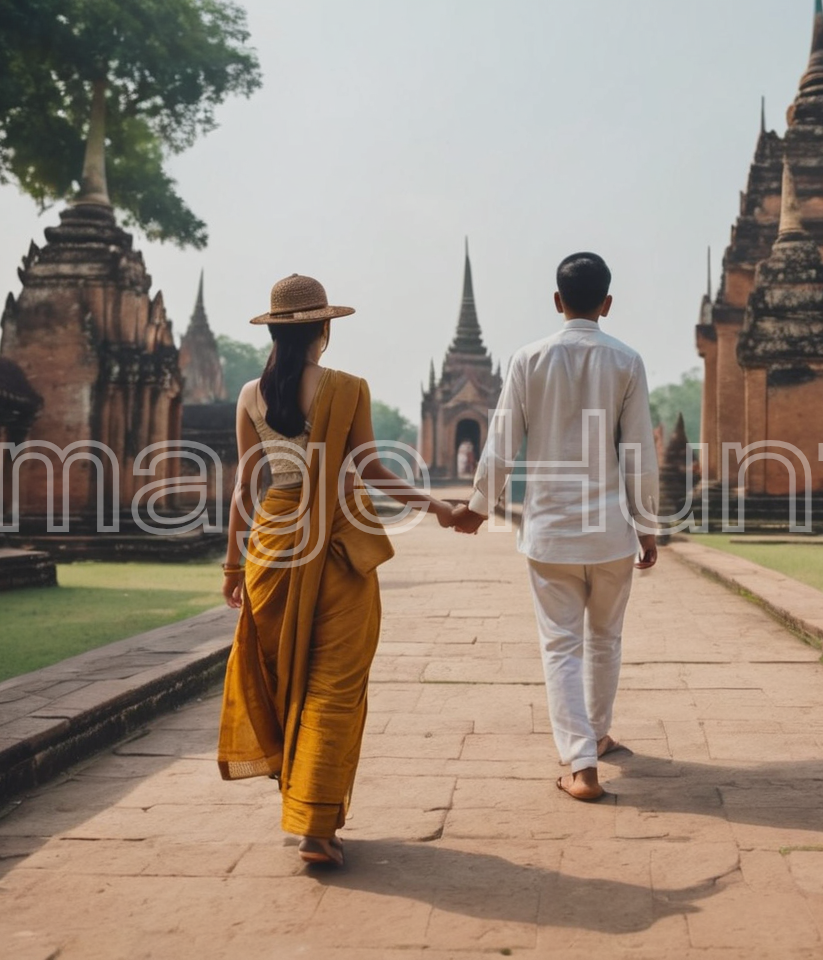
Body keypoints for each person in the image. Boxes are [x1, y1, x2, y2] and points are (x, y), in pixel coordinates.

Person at [216, 273, 456, 866]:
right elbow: (372, 469)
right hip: (337, 546)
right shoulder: (347, 387)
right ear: (324, 329)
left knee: (284, 679)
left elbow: (246, 484)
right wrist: (441, 507)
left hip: (272, 548)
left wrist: (231, 564)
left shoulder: (250, 394)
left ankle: (302, 806)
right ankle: (315, 827)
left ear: (274, 330)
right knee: (332, 686)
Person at [452, 252, 659, 802]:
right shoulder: (627, 361)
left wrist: (476, 507)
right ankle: (596, 736)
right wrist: (648, 525)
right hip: (612, 529)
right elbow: (639, 452)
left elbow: (500, 445)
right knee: (605, 638)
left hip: (550, 532)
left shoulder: (528, 359)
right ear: (607, 304)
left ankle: (582, 762)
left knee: (562, 645)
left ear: (557, 301)